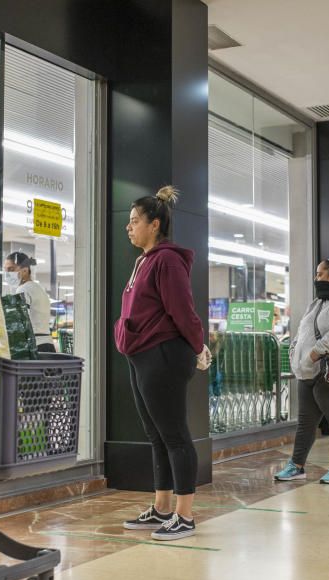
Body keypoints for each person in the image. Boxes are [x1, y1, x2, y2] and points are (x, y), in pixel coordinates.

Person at [116, 186, 211, 541]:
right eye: (129, 221)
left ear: (155, 224)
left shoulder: (167, 260)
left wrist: (199, 346)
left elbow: (182, 310)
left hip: (164, 354)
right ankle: (161, 508)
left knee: (174, 435)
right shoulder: (144, 260)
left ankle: (184, 515)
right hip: (142, 354)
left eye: (135, 221)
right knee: (155, 434)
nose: (129, 227)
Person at [274, 257, 329, 484]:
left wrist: (317, 351)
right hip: (308, 371)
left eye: (319, 274)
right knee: (306, 422)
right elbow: (305, 327)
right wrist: (296, 350)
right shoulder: (320, 301)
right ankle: (296, 465)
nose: (316, 279)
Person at [4, 252, 55, 353]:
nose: (7, 274)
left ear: (25, 270)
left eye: (11, 269)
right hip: (47, 344)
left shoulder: (23, 289)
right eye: (5, 270)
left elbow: (19, 321)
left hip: (35, 346)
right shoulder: (39, 288)